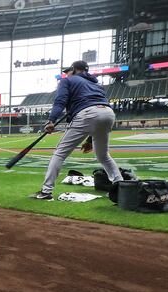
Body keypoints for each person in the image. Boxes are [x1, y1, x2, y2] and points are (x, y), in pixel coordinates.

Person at [32, 60, 122, 200]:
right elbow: (98, 111)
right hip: (108, 113)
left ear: (73, 70)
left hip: (87, 113)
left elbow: (60, 101)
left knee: (60, 153)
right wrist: (91, 139)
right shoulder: (95, 84)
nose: (66, 73)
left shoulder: (67, 81)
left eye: (68, 71)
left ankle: (46, 191)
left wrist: (51, 121)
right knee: (103, 156)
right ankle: (121, 188)